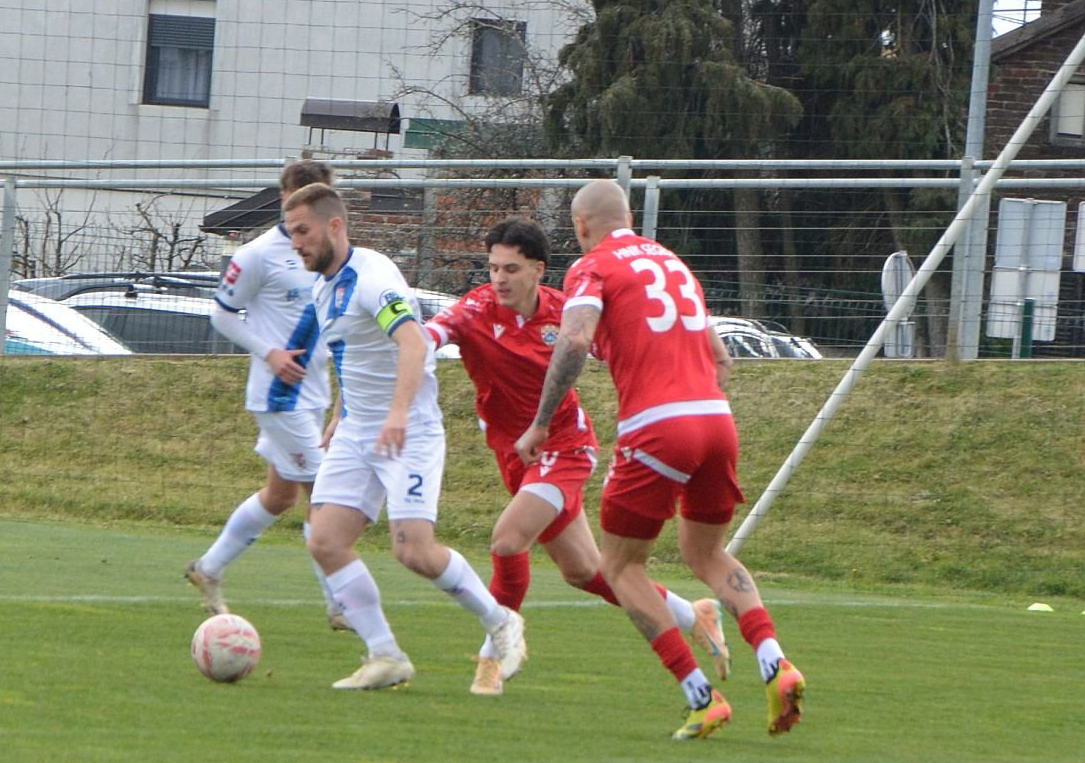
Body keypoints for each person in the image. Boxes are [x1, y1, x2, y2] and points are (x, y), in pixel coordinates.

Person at [515, 180, 806, 740]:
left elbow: (573, 342)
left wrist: (542, 420)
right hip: (716, 421)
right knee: (707, 552)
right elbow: (720, 358)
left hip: (657, 426)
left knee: (620, 567)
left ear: (581, 226)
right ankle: (773, 658)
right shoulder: (673, 264)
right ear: (629, 216)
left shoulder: (593, 267)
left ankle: (701, 696)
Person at [425, 216, 731, 696]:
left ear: (538, 270)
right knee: (585, 572)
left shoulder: (566, 313)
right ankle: (695, 615)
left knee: (507, 541)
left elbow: (631, 342)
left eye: (511, 269)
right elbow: (427, 337)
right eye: (493, 268)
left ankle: (494, 654)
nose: (499, 279)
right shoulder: (474, 310)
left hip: (565, 446)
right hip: (513, 453)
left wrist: (695, 361)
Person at [283, 182, 527, 690]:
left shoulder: (372, 279)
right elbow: (356, 355)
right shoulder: (324, 285)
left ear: (334, 226)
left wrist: (396, 414)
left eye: (303, 231)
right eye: (291, 233)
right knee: (325, 541)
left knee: (414, 550)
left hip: (408, 430)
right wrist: (342, 410)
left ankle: (500, 621)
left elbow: (414, 344)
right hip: (357, 431)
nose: (296, 243)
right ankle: (386, 655)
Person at [185, 160, 347, 628]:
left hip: (313, 391)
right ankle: (340, 602)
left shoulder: (332, 256)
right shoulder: (258, 254)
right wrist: (270, 353)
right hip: (279, 396)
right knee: (323, 490)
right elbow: (222, 315)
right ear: (284, 200)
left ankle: (208, 568)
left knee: (280, 496)